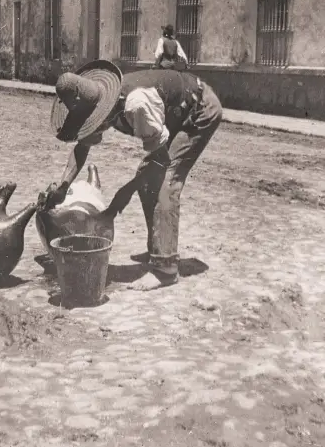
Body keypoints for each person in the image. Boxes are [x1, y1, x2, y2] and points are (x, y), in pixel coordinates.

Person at [43, 59, 222, 291]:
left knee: (164, 182)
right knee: (146, 177)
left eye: (93, 122)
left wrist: (123, 194)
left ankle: (165, 269)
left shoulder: (136, 105)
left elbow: (161, 162)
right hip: (172, 113)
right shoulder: (99, 99)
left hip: (199, 111)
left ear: (104, 110)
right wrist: (63, 186)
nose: (92, 128)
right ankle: (157, 248)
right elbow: (81, 148)